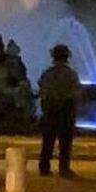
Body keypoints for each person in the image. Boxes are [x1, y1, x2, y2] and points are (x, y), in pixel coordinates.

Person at [38, 44, 81, 178]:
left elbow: (42, 90)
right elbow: (76, 92)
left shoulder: (47, 73)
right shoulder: (71, 74)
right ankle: (64, 168)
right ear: (67, 57)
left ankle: (44, 167)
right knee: (65, 142)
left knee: (48, 141)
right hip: (65, 110)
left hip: (50, 110)